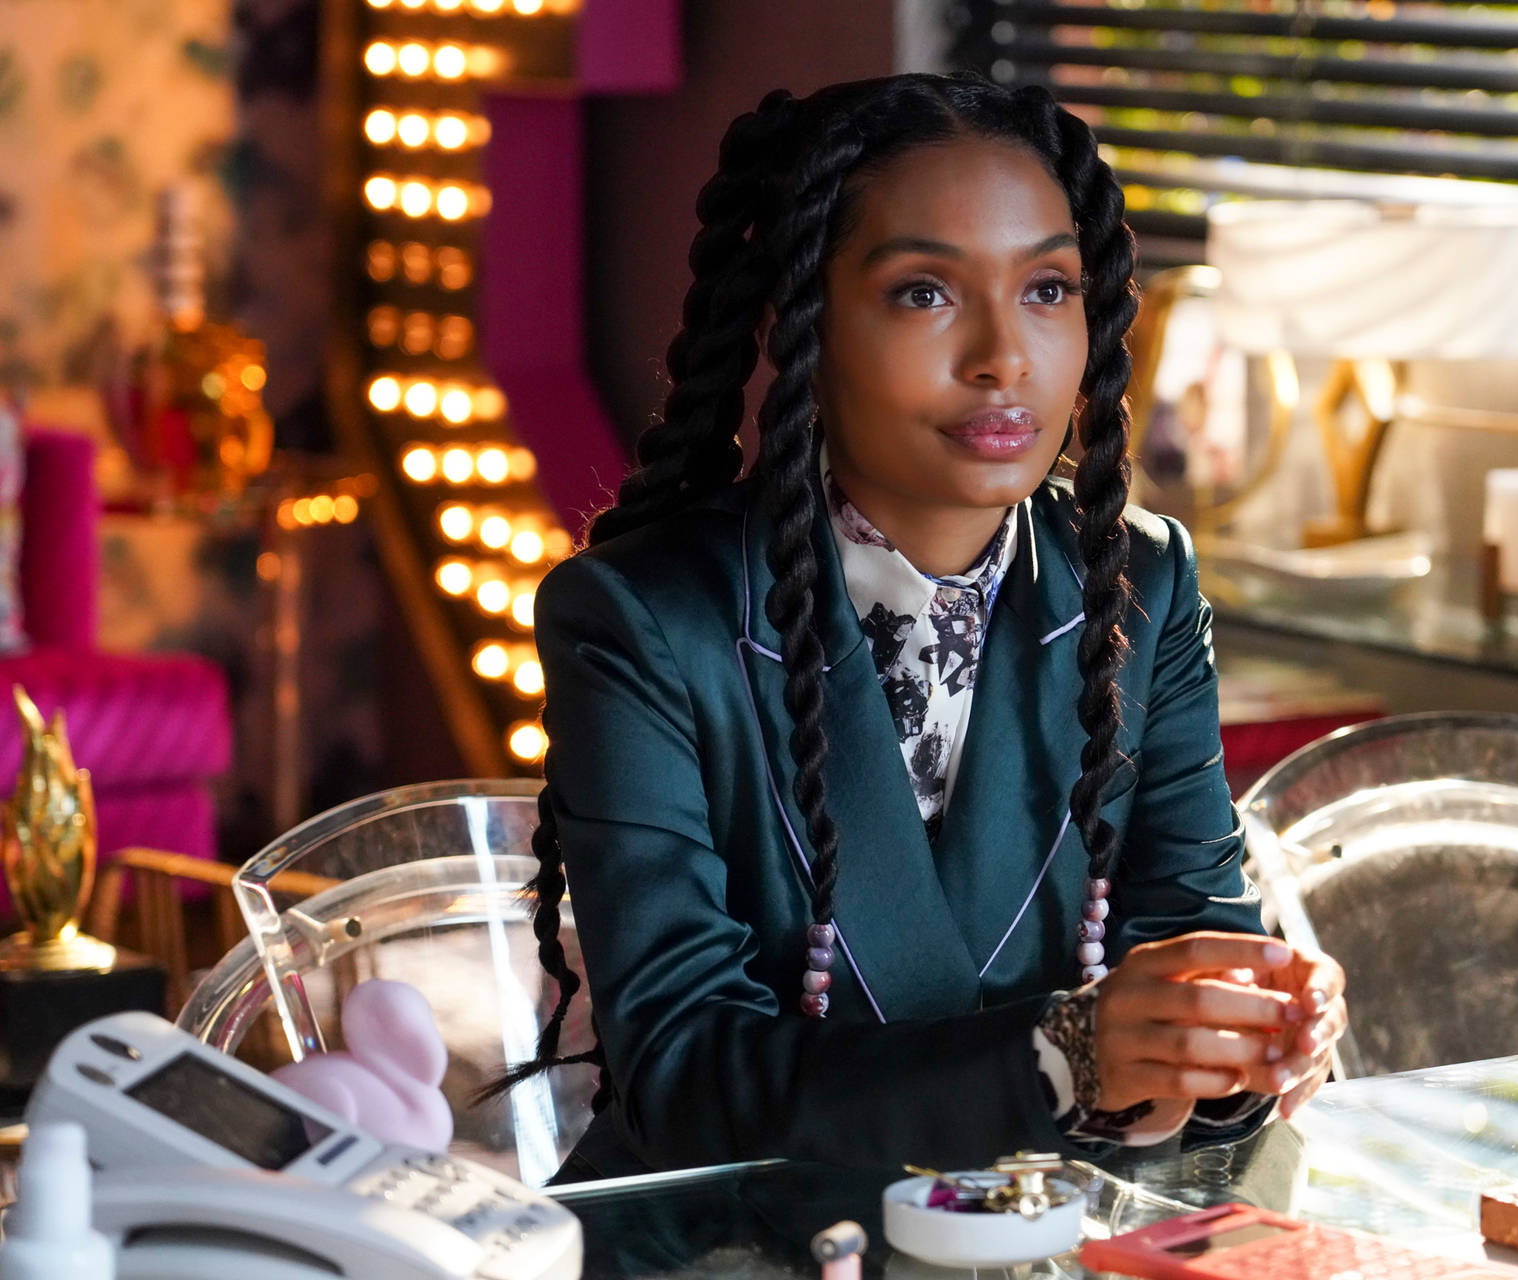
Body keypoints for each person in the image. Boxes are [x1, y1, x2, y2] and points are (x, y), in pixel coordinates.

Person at [486, 71, 1349, 1180]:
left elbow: (1190, 946)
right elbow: (687, 1075)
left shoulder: (1140, 582)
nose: (1004, 355)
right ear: (798, 323)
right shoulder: (647, 619)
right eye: (924, 293)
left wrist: (1247, 1032)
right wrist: (1063, 1054)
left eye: (1048, 287)